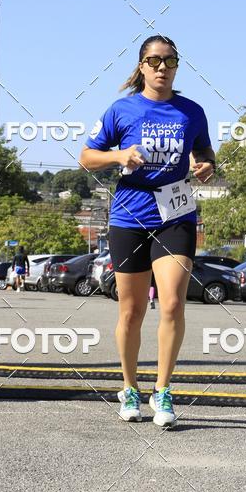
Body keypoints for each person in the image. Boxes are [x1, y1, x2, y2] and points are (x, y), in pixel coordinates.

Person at [80, 34, 215, 427]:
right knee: (132, 310)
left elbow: (204, 153)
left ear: (177, 66)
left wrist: (207, 165)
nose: (162, 67)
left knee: (172, 303)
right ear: (141, 67)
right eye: (154, 61)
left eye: (169, 61)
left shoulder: (191, 112)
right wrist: (118, 155)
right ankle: (130, 388)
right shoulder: (121, 110)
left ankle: (164, 390)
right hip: (130, 217)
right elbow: (86, 158)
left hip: (176, 216)